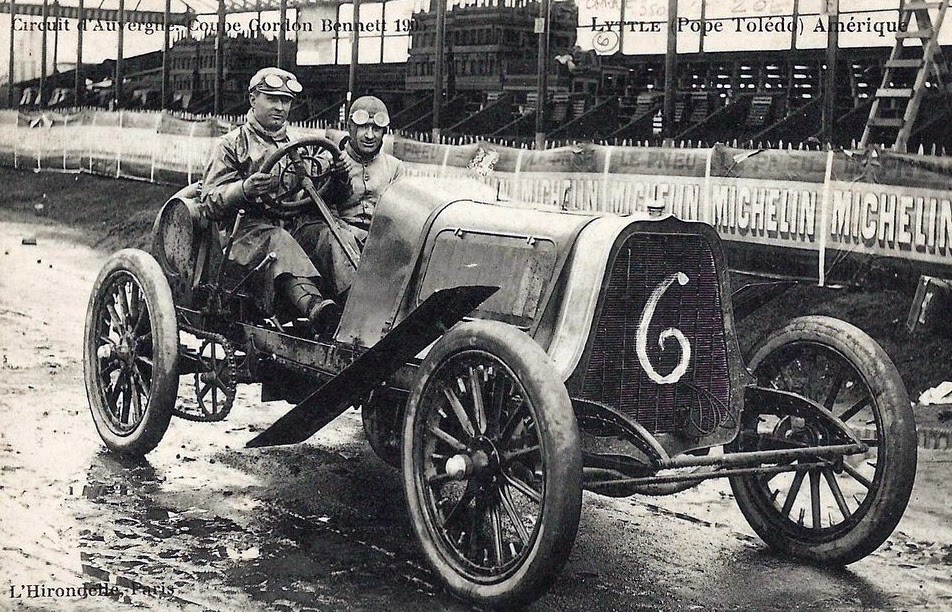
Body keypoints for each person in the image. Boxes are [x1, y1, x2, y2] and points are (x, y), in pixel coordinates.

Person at [200, 66, 340, 334]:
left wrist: (335, 172)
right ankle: (316, 308)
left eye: (285, 101)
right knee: (278, 240)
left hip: (291, 225)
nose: (280, 107)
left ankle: (354, 308)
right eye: (272, 99)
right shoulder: (231, 144)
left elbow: (317, 184)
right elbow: (209, 201)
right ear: (253, 99)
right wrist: (243, 189)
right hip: (243, 234)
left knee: (327, 235)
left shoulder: (301, 143)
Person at [292, 95, 406, 301]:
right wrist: (333, 180)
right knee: (335, 237)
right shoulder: (327, 161)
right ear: (350, 127)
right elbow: (310, 208)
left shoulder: (395, 168)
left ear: (384, 132)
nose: (369, 135)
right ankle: (357, 302)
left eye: (376, 129)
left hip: (377, 237)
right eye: (363, 128)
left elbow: (402, 215)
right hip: (334, 236)